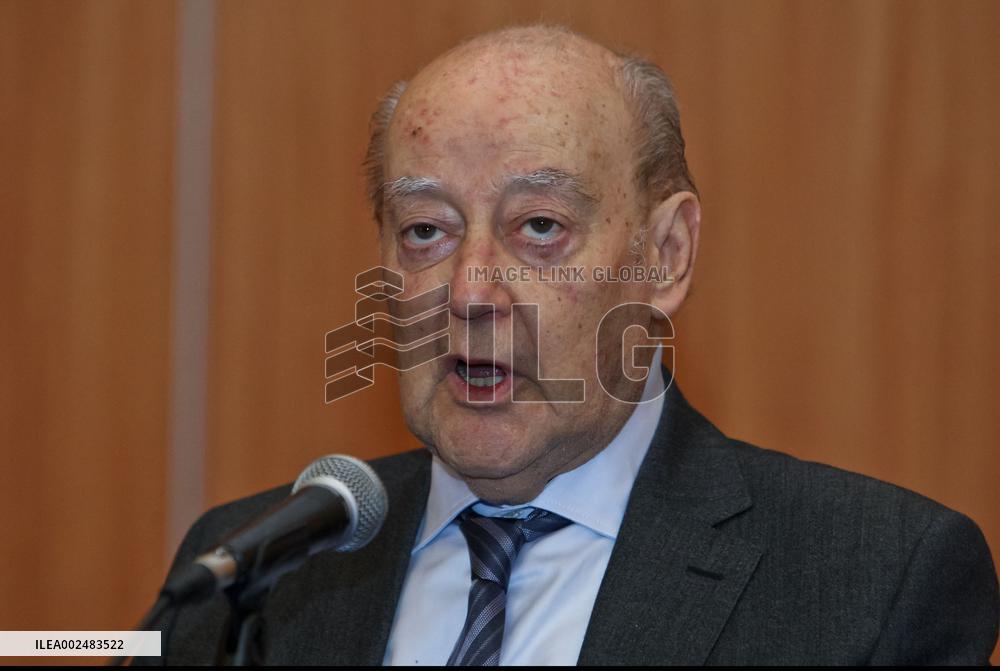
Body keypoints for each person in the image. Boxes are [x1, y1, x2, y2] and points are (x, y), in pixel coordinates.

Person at [149, 25, 998, 665]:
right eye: (425, 231)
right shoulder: (248, 569)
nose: (471, 290)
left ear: (665, 257)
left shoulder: (877, 580)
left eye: (541, 226)